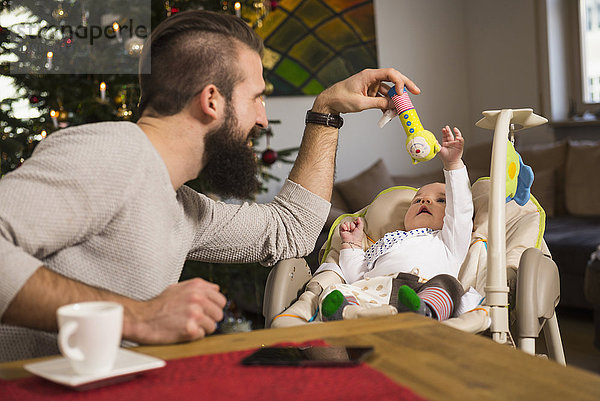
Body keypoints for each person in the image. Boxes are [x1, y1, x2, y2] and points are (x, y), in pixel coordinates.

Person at [0, 10, 420, 361]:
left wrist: (325, 112)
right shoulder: (113, 152)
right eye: (256, 97)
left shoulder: (181, 205)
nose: (261, 118)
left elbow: (292, 230)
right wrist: (138, 317)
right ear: (212, 100)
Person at [317, 125, 475, 321]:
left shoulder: (447, 240)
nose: (425, 201)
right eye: (417, 200)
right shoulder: (386, 241)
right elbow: (357, 275)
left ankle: (424, 313)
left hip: (421, 290)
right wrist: (352, 245)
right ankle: (345, 314)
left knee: (448, 284)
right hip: (376, 291)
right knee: (335, 290)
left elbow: (461, 208)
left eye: (441, 200)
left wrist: (453, 165)